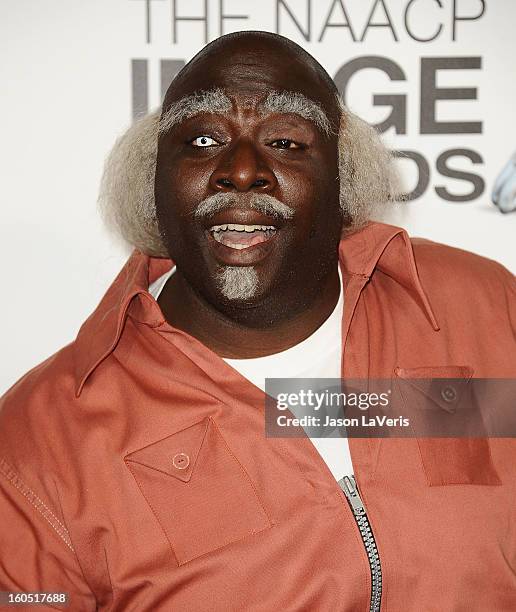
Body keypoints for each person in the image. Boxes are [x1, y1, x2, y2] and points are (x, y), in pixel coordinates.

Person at [0, 30, 515, 611]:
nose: (242, 171)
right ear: (152, 184)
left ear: (344, 182)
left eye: (287, 142)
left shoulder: (485, 307)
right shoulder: (38, 441)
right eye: (201, 139)